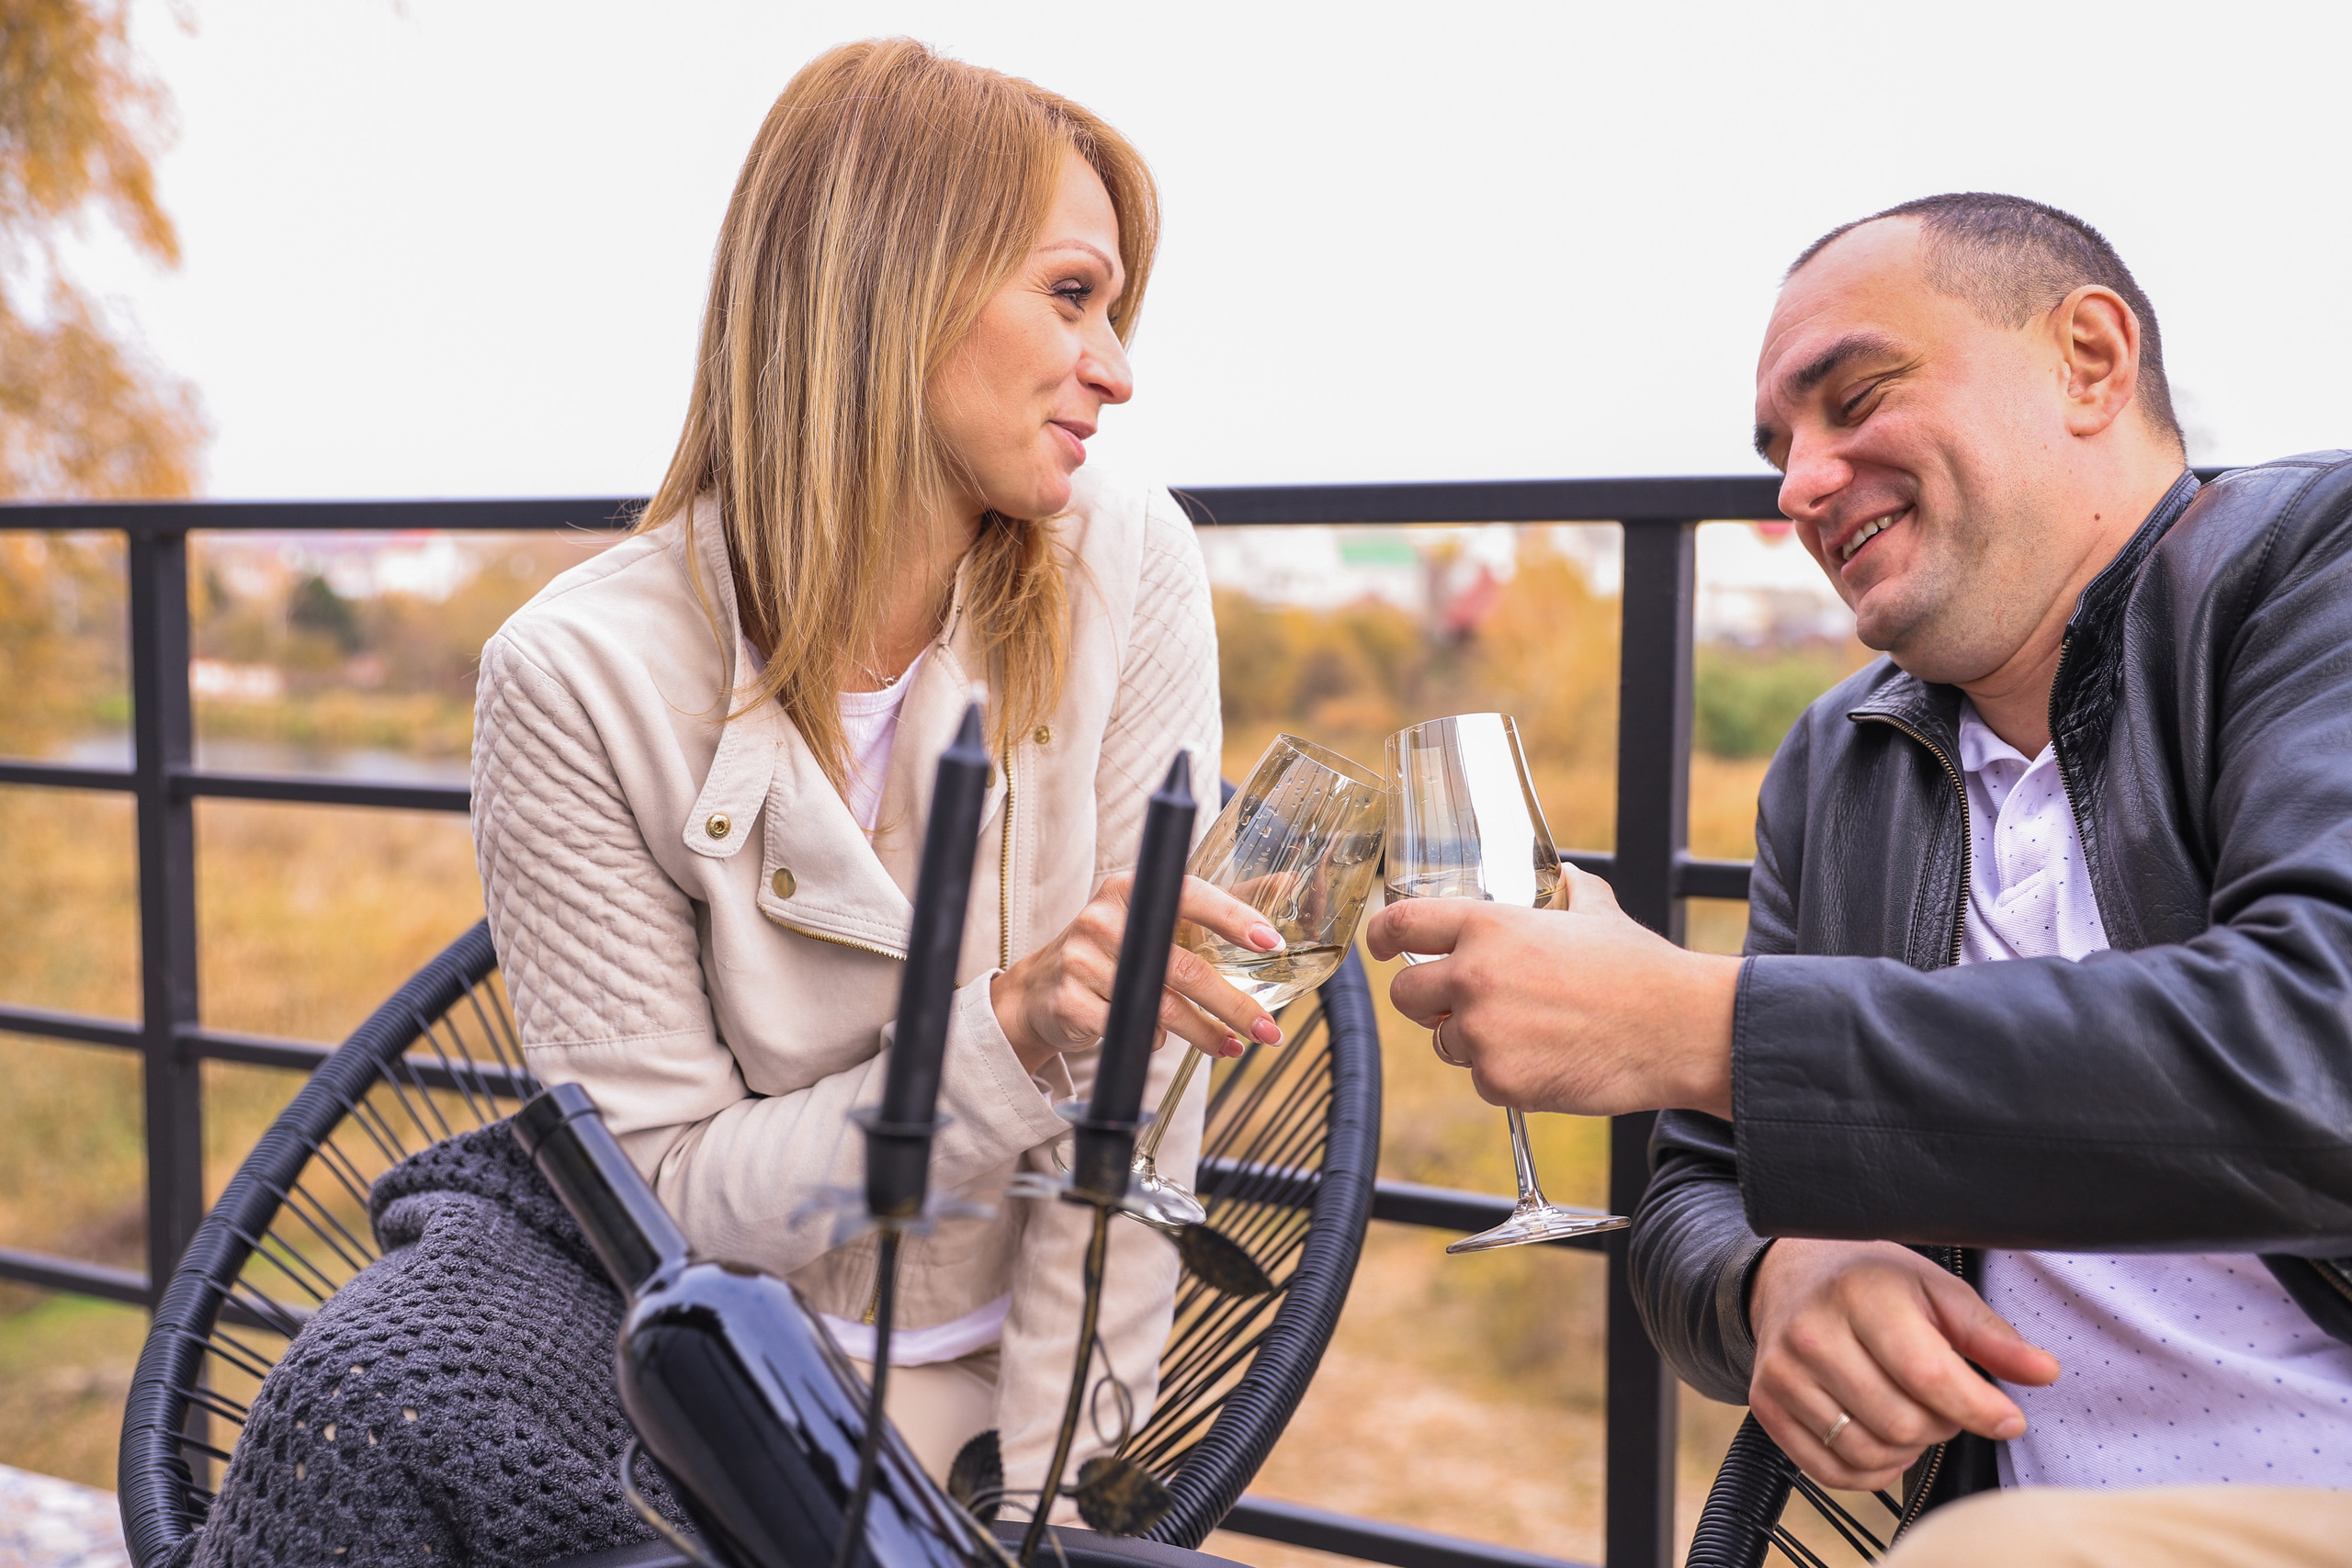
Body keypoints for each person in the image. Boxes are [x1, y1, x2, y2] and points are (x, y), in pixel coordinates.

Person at [1366, 192, 2352, 1548]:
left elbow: (2324, 1050)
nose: (1800, 484)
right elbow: (1692, 1199)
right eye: (1780, 445)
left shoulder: (2320, 571)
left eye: (1857, 397)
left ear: (2090, 360)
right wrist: (1781, 1276)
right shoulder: (1837, 765)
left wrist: (1691, 1022)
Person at [471, 39, 1285, 1513]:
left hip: (1006, 1383)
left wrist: (1050, 1494)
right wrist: (1009, 1033)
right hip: (733, 1370)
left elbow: (1141, 1100)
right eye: (1069, 293)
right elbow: (664, 1193)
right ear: (890, 283)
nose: (1115, 367)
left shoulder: (1127, 558)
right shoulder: (574, 675)